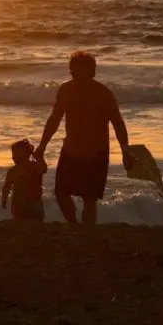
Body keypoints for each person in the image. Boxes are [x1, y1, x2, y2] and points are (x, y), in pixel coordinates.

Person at [35, 51, 132, 224]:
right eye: (74, 73)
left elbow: (118, 123)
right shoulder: (65, 90)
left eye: (82, 74)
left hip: (96, 152)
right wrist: (42, 147)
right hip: (71, 149)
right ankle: (73, 225)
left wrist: (125, 149)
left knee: (89, 198)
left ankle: (87, 232)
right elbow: (54, 119)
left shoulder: (103, 93)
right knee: (61, 193)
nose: (78, 78)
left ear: (92, 73)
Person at [1, 139, 47, 221]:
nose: (14, 156)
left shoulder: (35, 167)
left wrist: (40, 157)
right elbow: (6, 187)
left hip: (35, 202)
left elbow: (44, 169)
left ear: (28, 154)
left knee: (36, 221)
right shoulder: (13, 171)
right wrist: (4, 199)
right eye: (13, 154)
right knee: (20, 221)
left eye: (17, 154)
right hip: (19, 203)